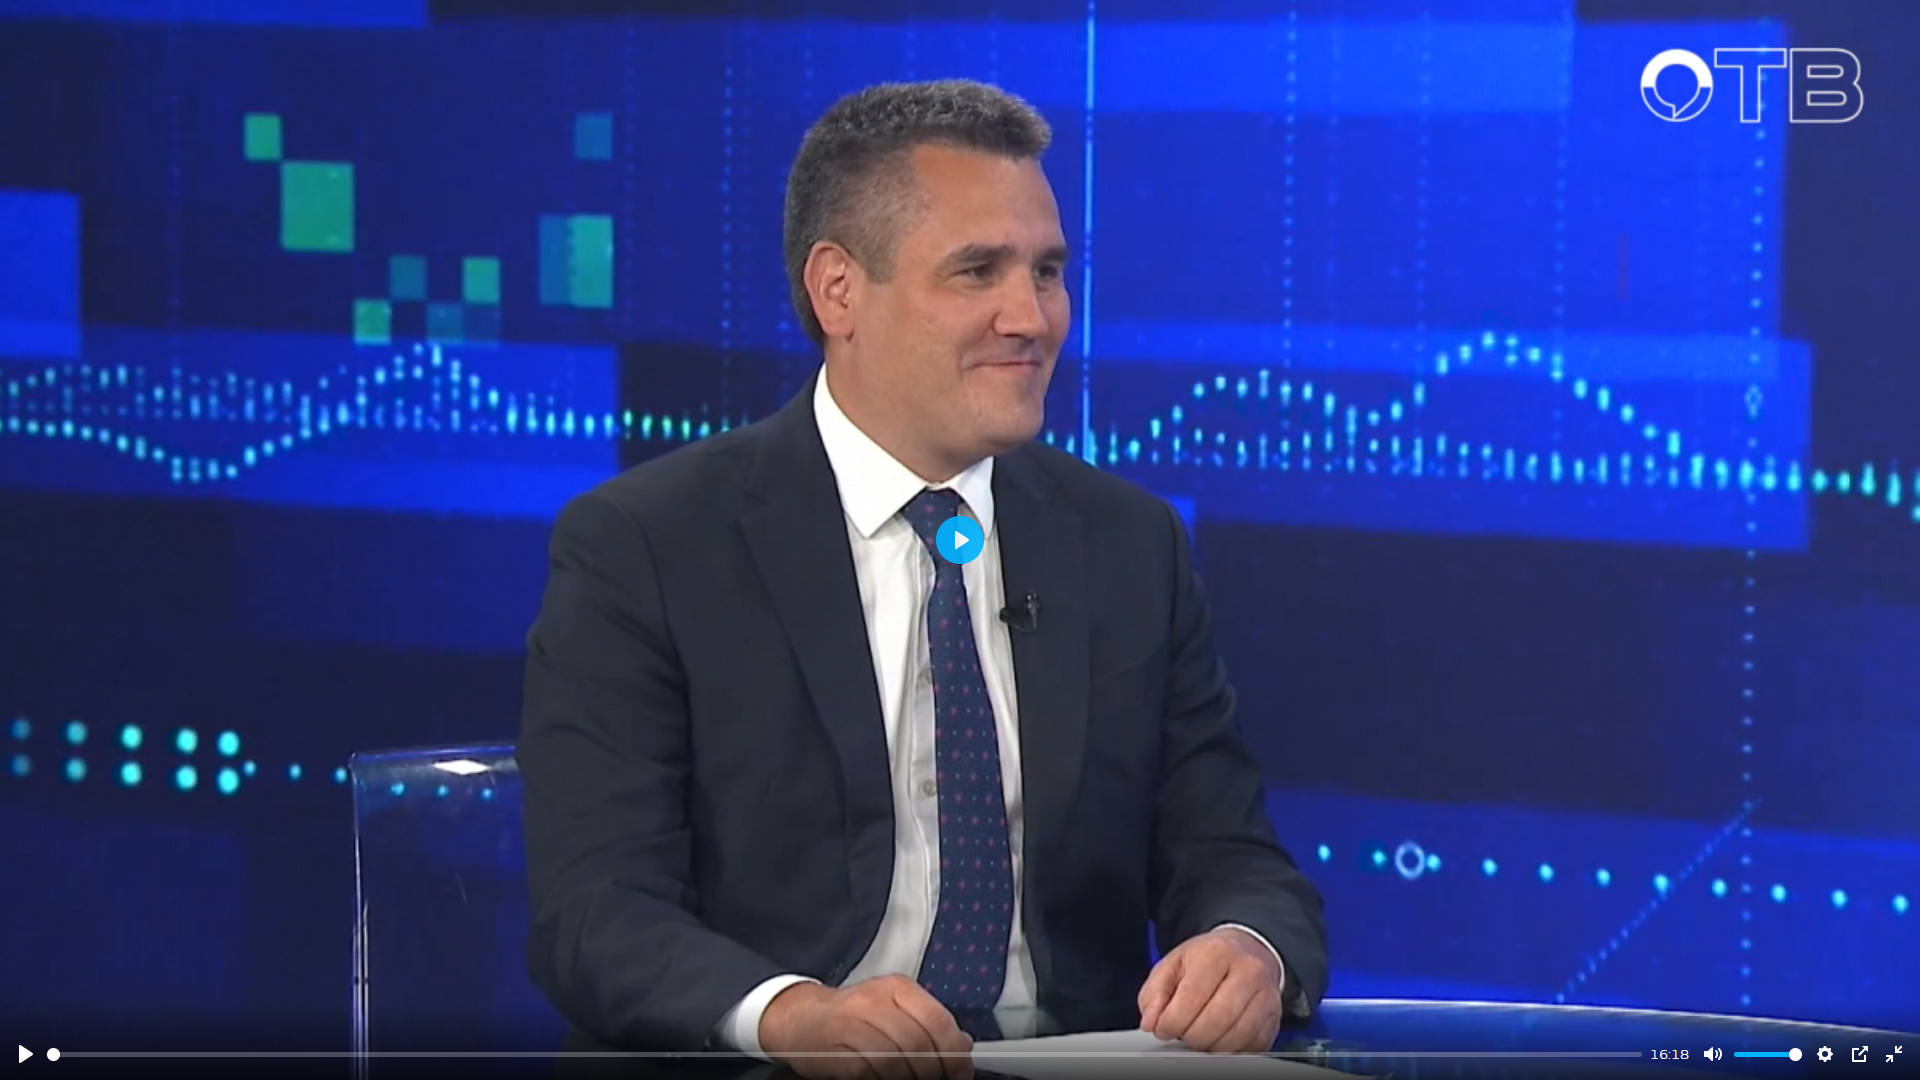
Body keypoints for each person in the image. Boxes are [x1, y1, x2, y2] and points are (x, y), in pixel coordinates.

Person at [518, 79, 1328, 1080]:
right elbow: (596, 911)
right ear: (839, 291)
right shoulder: (649, 545)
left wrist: (1248, 948)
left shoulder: (1129, 544)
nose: (1031, 317)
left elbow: (1233, 857)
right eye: (977, 271)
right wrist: (792, 1016)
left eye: (1047, 271)